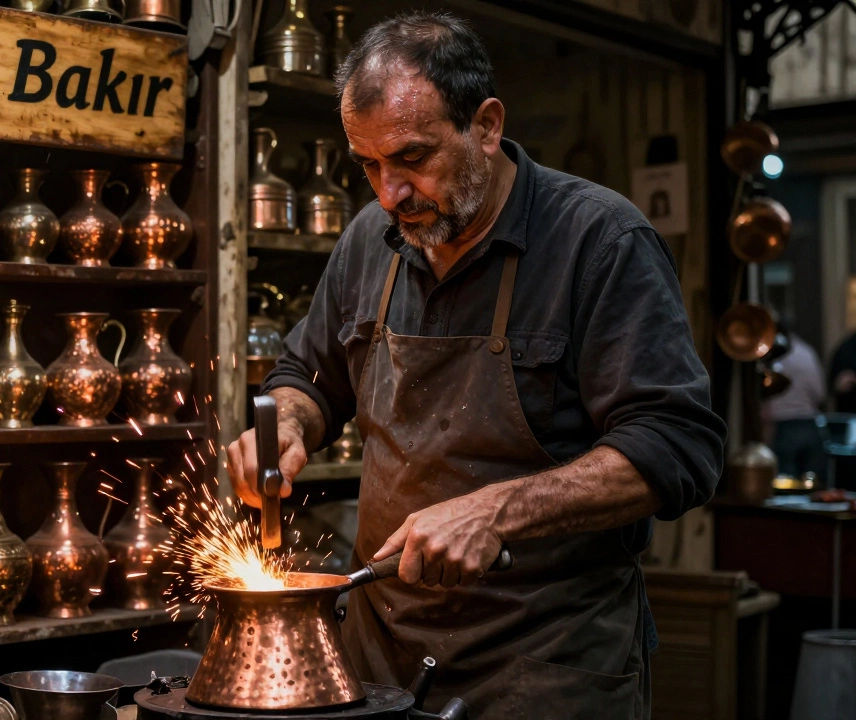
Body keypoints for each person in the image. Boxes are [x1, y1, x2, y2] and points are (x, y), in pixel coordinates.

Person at [226, 13, 725, 720]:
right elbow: (308, 375)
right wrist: (287, 428)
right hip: (383, 657)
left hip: (544, 666)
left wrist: (498, 511)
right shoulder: (372, 239)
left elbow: (678, 447)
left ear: (486, 126)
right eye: (368, 165)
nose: (388, 193)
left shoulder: (599, 242)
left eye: (412, 158)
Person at [763, 325, 826, 482]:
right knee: (812, 485)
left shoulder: (768, 353)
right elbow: (820, 394)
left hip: (782, 426)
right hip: (808, 424)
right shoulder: (806, 352)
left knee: (784, 484)